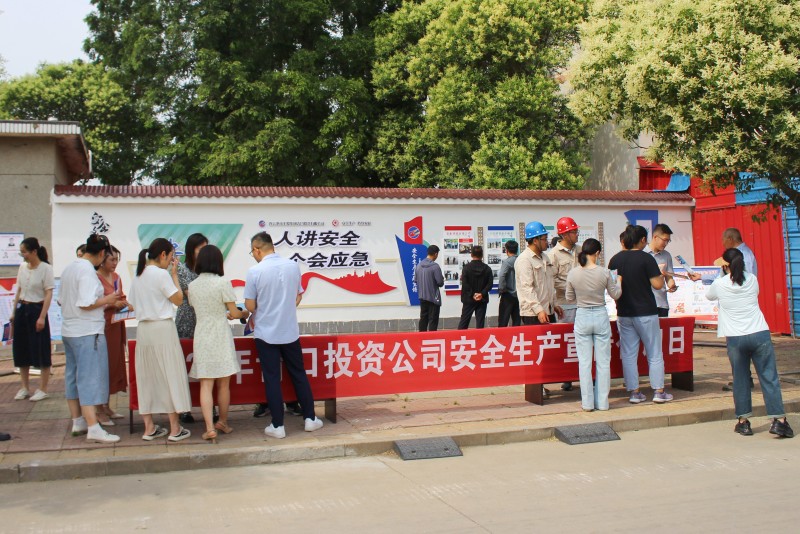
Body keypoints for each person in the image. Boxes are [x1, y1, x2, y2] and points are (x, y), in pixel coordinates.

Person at [705, 248, 793, 438]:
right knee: (769, 377)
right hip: (759, 333)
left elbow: (709, 296)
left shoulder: (719, 284)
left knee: (741, 379)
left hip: (735, 338)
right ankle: (779, 420)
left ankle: (743, 422)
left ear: (725, 266)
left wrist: (720, 275)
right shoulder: (752, 279)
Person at [244, 232, 324, 439]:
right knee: (298, 374)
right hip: (289, 331)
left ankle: (277, 425)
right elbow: (298, 297)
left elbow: (250, 306)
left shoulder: (254, 271)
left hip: (265, 333)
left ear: (257, 249)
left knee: (272, 378)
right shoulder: (292, 266)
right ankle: (310, 418)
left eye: (252, 252)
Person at [128, 238, 192, 443]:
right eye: (171, 256)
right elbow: (179, 300)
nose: (172, 260)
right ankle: (175, 428)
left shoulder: (139, 274)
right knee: (169, 375)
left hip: (144, 330)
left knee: (146, 377)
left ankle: (149, 428)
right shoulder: (161, 274)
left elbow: (131, 304)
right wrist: (174, 276)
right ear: (163, 254)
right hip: (163, 328)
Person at [59, 234, 121, 443]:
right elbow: (86, 303)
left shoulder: (69, 268)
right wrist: (107, 299)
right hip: (87, 331)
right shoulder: (87, 271)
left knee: (73, 376)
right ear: (102, 253)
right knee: (89, 378)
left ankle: (78, 420)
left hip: (69, 330)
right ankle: (93, 426)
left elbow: (61, 301)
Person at [188, 245, 250, 443]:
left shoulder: (193, 285)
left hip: (202, 334)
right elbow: (235, 312)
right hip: (221, 334)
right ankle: (222, 422)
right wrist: (243, 313)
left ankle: (209, 428)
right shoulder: (223, 282)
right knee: (224, 383)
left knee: (206, 384)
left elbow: (198, 307)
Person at [608, 225, 673, 404]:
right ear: (643, 240)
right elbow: (657, 285)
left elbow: (613, 287)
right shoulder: (646, 258)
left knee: (629, 354)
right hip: (646, 312)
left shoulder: (615, 260)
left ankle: (634, 392)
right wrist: (660, 274)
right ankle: (658, 391)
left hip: (624, 312)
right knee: (654, 352)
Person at [566, 238, 622, 411]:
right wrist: (619, 281)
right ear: (597, 253)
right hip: (600, 315)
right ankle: (603, 403)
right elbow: (616, 294)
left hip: (582, 315)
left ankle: (587, 403)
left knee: (584, 363)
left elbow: (569, 298)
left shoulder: (573, 273)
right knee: (603, 362)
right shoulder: (604, 272)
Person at [11, 237, 54, 402]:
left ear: (34, 251)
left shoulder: (46, 269)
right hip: (22, 308)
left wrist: (42, 316)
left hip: (37, 309)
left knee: (41, 348)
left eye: (25, 252)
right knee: (21, 348)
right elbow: (18, 290)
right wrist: (14, 312)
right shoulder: (22, 267)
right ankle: (24, 387)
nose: (23, 255)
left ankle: (43, 388)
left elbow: (48, 293)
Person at [175, 232, 208, 424]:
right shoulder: (181, 269)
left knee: (207, 368)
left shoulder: (208, 270)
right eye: (199, 248)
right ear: (191, 250)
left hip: (205, 322)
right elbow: (191, 295)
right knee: (183, 367)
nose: (203, 252)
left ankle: (210, 408)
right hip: (186, 321)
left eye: (205, 248)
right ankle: (184, 409)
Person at [95, 246, 129, 424]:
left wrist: (125, 304)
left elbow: (120, 297)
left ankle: (106, 405)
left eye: (117, 259)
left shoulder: (116, 277)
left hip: (116, 324)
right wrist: (111, 304)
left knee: (114, 364)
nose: (115, 263)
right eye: (112, 260)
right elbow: (93, 303)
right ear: (102, 260)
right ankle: (98, 409)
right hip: (102, 325)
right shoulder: (95, 278)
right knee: (101, 365)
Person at [548, 216, 581, 391]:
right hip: (565, 305)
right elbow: (552, 280)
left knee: (583, 342)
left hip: (583, 304)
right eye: (574, 232)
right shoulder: (553, 255)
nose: (577, 234)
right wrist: (571, 285)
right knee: (567, 342)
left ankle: (584, 375)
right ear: (565, 234)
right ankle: (567, 377)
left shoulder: (581, 251)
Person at [516, 221, 561, 325]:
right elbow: (526, 288)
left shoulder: (545, 258)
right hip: (533, 314)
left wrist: (554, 304)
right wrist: (539, 310)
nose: (547, 242)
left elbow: (550, 284)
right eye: (544, 239)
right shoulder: (524, 260)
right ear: (535, 240)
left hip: (548, 310)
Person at [457, 246, 493, 329]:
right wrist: (481, 294)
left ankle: (460, 337)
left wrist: (472, 294)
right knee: (480, 324)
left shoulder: (466, 268)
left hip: (468, 299)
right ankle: (480, 337)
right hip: (482, 299)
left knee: (463, 323)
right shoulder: (487, 269)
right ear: (482, 255)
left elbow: (465, 284)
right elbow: (490, 284)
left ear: (471, 254)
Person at [646, 223, 678, 317]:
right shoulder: (642, 253)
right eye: (664, 240)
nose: (666, 243)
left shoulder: (666, 255)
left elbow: (669, 277)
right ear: (655, 237)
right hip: (646, 303)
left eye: (668, 241)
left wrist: (672, 285)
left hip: (662, 303)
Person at [414, 245, 444, 332]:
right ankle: (432, 338)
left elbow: (415, 280)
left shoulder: (419, 265)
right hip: (433, 298)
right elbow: (440, 282)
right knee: (433, 320)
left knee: (423, 318)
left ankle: (422, 337)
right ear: (435, 254)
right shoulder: (435, 266)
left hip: (422, 297)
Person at [497, 240, 520, 327]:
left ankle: (501, 335)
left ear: (506, 250)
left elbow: (502, 275)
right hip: (518, 294)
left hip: (508, 294)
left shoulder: (507, 262)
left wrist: (502, 289)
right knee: (516, 320)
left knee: (503, 320)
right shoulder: (520, 260)